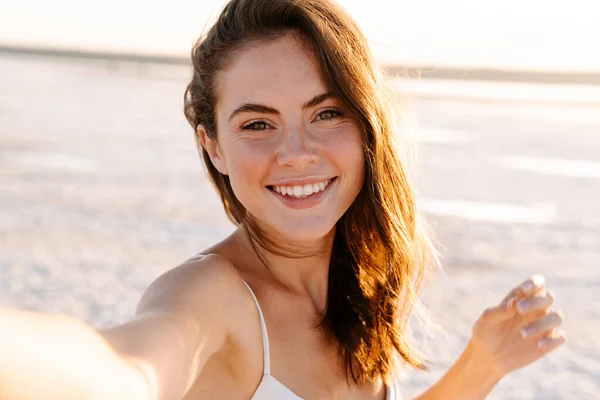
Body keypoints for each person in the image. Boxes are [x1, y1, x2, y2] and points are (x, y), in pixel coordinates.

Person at [0, 0, 566, 399]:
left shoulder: (362, 279)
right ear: (212, 145)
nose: (297, 153)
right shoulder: (211, 296)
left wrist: (483, 364)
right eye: (257, 124)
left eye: (326, 113)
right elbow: (123, 375)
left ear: (367, 126)